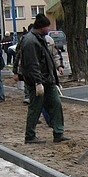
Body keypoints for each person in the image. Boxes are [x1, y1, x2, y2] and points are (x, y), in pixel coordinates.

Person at [20, 14, 69, 143]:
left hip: (47, 80)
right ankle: (30, 136)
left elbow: (48, 59)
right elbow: (32, 64)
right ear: (42, 27)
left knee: (56, 104)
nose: (49, 29)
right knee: (35, 108)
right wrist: (37, 82)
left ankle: (58, 133)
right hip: (38, 81)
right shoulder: (31, 41)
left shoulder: (39, 38)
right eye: (47, 26)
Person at [13, 24, 34, 105]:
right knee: (27, 81)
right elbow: (18, 54)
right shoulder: (24, 40)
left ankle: (29, 96)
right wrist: (16, 70)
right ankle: (27, 96)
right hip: (26, 64)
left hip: (32, 64)